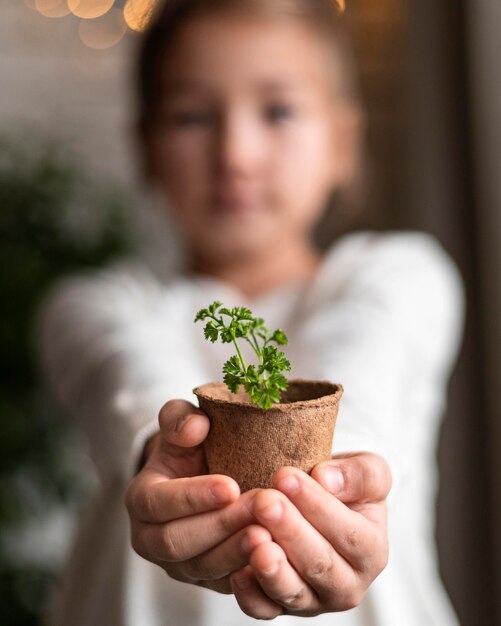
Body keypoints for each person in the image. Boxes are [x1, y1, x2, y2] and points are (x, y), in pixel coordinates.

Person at [38, 0, 465, 624]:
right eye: (192, 117)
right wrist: (166, 448)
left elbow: (367, 366)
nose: (236, 154)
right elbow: (125, 373)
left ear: (343, 143)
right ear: (147, 148)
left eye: (278, 111)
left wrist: (340, 475)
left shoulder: (401, 275)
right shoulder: (96, 305)